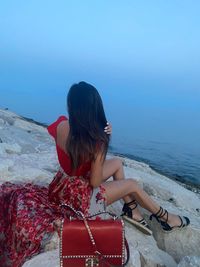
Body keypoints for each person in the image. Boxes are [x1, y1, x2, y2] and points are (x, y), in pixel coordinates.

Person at [0, 81, 190, 267]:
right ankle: (167, 219)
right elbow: (95, 181)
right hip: (81, 198)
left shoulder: (61, 124)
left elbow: (74, 154)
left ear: (71, 106)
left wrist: (96, 140)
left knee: (117, 163)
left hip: (62, 187)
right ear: (95, 109)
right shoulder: (95, 141)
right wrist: (103, 140)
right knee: (131, 184)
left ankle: (132, 210)